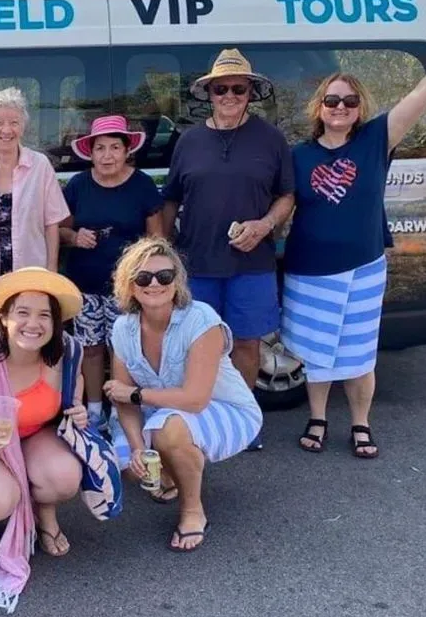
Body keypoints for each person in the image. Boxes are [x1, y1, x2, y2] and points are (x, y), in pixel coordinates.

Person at [282, 71, 426, 458]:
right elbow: (282, 206)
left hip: (363, 268)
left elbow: (417, 97)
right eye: (332, 100)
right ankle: (318, 418)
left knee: (359, 354)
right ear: (319, 107)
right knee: (315, 352)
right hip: (308, 271)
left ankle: (360, 423)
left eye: (349, 101)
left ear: (360, 107)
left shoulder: (375, 140)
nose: (340, 107)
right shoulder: (299, 155)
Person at [161, 49, 294, 450]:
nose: (230, 95)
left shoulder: (270, 138)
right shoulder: (189, 140)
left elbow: (286, 195)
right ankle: (198, 417)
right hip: (196, 263)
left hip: (252, 262)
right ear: (210, 93)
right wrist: (165, 251)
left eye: (239, 88)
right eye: (222, 89)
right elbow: (170, 199)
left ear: (251, 92)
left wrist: (265, 225)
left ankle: (244, 419)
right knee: (196, 344)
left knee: (248, 343)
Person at [104, 237, 262, 552]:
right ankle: (169, 473)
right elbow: (123, 400)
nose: (154, 284)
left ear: (177, 282)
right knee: (128, 468)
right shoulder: (123, 328)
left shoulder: (201, 320)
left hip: (224, 408)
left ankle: (193, 511)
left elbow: (195, 399)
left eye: (164, 276)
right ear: (130, 285)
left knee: (170, 429)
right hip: (156, 410)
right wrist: (138, 450)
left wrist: (135, 394)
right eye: (143, 277)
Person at [0, 267, 87, 608]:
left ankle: (45, 513)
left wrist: (80, 411)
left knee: (66, 477)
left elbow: (71, 399)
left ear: (55, 324)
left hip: (33, 437)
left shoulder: (61, 355)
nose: (33, 324)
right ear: (4, 318)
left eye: (44, 315)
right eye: (22, 312)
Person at [60, 115, 163, 427]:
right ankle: (94, 409)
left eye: (114, 148)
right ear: (90, 152)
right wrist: (75, 237)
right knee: (90, 348)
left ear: (126, 150)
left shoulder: (142, 185)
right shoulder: (78, 185)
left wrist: (146, 273)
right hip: (86, 285)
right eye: (100, 148)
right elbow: (60, 230)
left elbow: (156, 239)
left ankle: (121, 409)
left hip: (129, 288)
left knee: (123, 350)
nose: (107, 155)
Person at [0, 88, 70, 315]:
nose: (6, 130)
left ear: (23, 126)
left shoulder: (40, 166)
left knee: (29, 337)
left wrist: (51, 272)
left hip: (32, 276)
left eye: (14, 122)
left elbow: (52, 224)